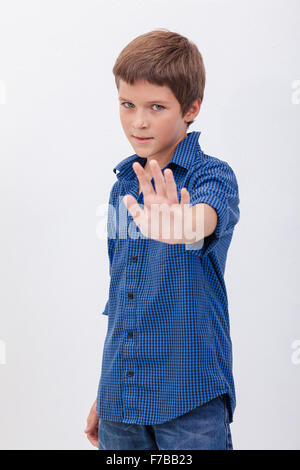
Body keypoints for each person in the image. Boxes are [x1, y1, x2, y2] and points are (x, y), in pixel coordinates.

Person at [84, 29, 240, 450]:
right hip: (122, 403)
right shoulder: (122, 189)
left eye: (157, 106)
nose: (139, 121)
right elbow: (122, 299)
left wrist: (179, 225)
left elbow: (204, 219)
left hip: (189, 399)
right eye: (127, 105)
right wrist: (106, 388)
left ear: (191, 108)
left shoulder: (212, 175)